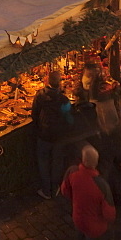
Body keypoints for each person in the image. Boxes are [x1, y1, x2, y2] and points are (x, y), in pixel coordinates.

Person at [61, 143, 115, 240]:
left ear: (83, 159)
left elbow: (64, 190)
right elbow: (109, 213)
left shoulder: (72, 172)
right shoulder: (102, 185)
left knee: (79, 238)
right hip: (95, 226)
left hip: (78, 218)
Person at [31, 69, 71, 199]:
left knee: (43, 161)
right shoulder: (64, 100)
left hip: (44, 134)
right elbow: (68, 118)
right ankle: (55, 187)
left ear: (47, 81)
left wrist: (39, 127)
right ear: (59, 83)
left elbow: (34, 114)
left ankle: (46, 190)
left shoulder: (40, 96)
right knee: (57, 161)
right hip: (59, 135)